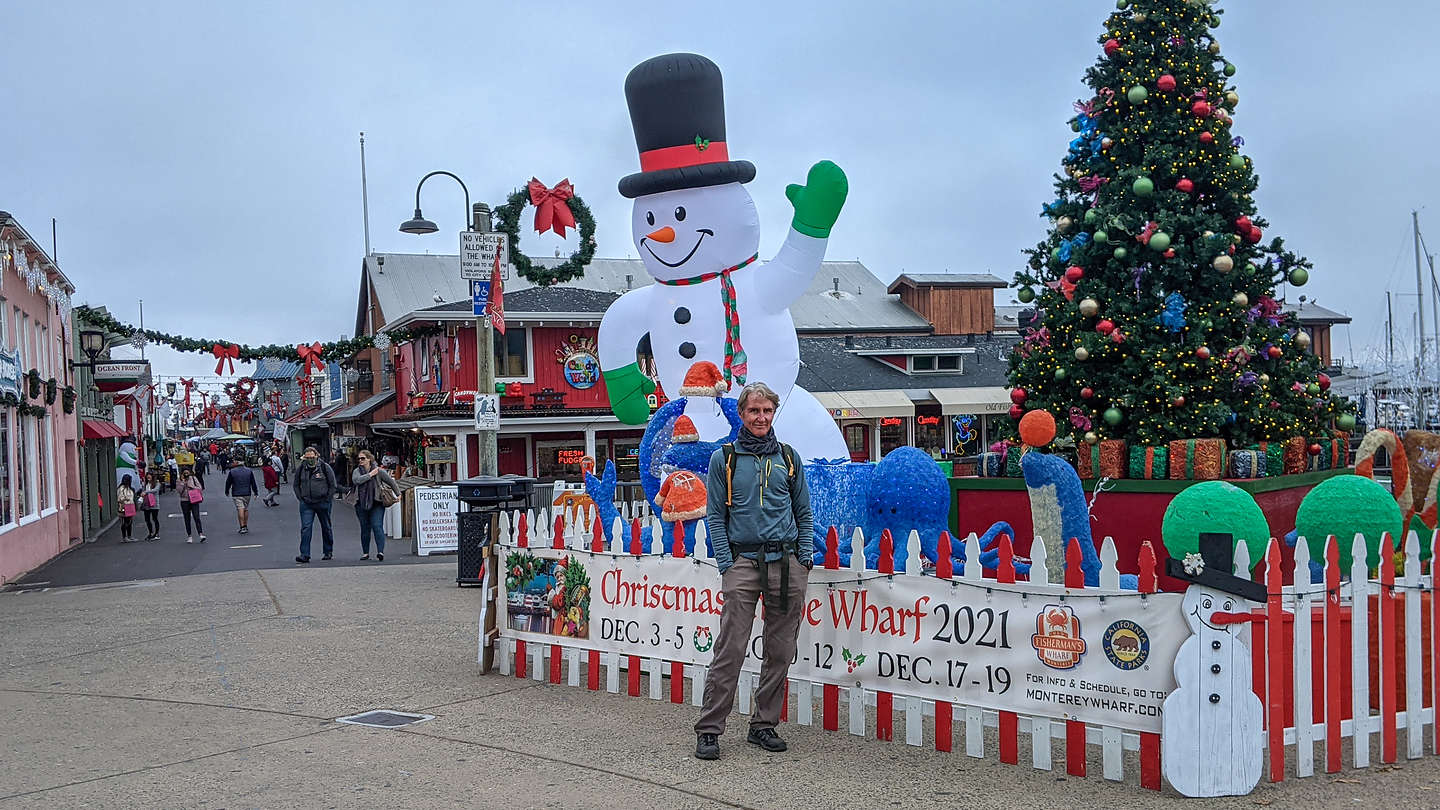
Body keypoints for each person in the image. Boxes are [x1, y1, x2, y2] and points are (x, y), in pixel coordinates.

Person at [694, 381, 812, 761]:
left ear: (773, 413)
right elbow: (715, 515)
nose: (761, 417)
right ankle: (710, 729)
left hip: (787, 561)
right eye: (753, 411)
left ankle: (763, 725)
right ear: (742, 414)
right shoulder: (723, 459)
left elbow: (803, 513)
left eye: (767, 411)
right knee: (731, 647)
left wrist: (804, 558)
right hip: (743, 563)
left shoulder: (789, 458)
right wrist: (727, 563)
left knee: (780, 649)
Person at [351, 449, 398, 561]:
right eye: (359, 459)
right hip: (361, 503)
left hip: (377, 502)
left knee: (377, 526)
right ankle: (365, 553)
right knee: (365, 528)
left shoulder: (379, 471)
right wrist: (370, 475)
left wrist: (398, 494)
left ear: (369, 459)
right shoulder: (357, 471)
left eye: (363, 458)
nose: (361, 460)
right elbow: (356, 480)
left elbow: (391, 481)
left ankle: (380, 552)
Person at [293, 445, 336, 564]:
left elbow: (333, 484)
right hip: (307, 503)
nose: (310, 459)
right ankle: (304, 554)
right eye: (307, 458)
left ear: (316, 456)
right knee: (306, 528)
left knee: (326, 527)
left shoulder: (324, 467)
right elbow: (296, 484)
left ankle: (328, 551)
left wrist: (328, 499)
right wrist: (300, 498)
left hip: (322, 502)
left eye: (312, 457)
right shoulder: (301, 468)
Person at [223, 458, 260, 534]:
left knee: (240, 509)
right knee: (245, 509)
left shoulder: (232, 472)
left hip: (236, 493)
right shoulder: (249, 471)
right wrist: (255, 492)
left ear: (237, 462)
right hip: (247, 493)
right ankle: (245, 525)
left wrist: (227, 491)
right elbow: (253, 482)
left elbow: (228, 482)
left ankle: (242, 527)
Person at [178, 466, 206, 543]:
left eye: (187, 472)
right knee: (187, 518)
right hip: (184, 501)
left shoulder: (193, 478)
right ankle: (189, 536)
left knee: (196, 517)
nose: (186, 474)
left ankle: (200, 534)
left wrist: (192, 486)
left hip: (194, 499)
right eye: (185, 473)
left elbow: (200, 487)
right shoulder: (179, 480)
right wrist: (183, 483)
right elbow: (179, 491)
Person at [140, 472, 163, 541]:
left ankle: (156, 533)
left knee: (155, 519)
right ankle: (150, 533)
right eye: (147, 477)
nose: (148, 478)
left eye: (149, 477)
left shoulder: (157, 483)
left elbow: (155, 490)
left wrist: (146, 492)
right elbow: (143, 491)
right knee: (147, 519)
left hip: (154, 504)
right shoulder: (145, 484)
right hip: (146, 504)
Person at [116, 475, 138, 542]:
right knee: (125, 521)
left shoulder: (130, 488)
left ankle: (129, 536)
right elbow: (120, 498)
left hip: (130, 506)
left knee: (130, 521)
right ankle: (124, 537)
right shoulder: (121, 488)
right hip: (124, 506)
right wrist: (126, 499)